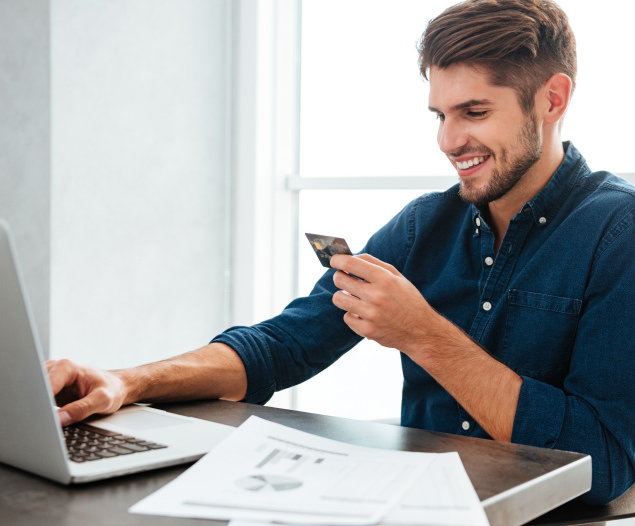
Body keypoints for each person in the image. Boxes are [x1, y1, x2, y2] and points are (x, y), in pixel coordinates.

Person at [46, 0, 635, 505]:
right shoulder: (422, 227)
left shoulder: (618, 233)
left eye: (475, 113)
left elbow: (604, 462)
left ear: (552, 99)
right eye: (440, 115)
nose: (450, 141)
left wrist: (422, 334)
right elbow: (282, 347)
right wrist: (126, 382)